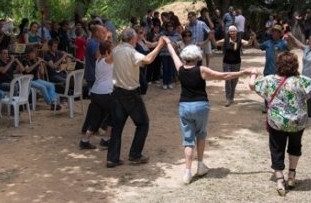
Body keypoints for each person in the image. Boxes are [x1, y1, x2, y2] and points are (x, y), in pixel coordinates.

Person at [163, 41, 251, 184]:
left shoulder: (180, 69)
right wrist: (243, 72)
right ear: (197, 57)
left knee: (188, 141)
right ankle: (200, 165)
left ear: (184, 57)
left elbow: (173, 54)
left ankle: (187, 172)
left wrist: (167, 43)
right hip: (201, 105)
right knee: (201, 135)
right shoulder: (201, 70)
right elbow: (224, 76)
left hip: (184, 106)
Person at [249, 51, 311, 196]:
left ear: (278, 65)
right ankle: (291, 175)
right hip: (297, 122)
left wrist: (253, 73)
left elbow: (252, 85)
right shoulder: (301, 80)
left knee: (277, 148)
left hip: (277, 122)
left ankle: (279, 180)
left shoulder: (270, 80)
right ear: (295, 65)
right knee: (295, 146)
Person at [106, 28, 166, 168]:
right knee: (143, 123)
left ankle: (112, 158)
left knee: (117, 127)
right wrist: (160, 46)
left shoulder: (117, 50)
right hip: (130, 93)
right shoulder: (131, 52)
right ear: (132, 39)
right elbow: (148, 60)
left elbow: (108, 61)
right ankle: (135, 154)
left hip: (117, 92)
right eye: (136, 38)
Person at [79, 40, 114, 150]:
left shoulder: (98, 59)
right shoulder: (107, 60)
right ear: (108, 52)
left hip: (95, 92)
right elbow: (115, 54)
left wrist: (108, 39)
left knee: (96, 119)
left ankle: (85, 140)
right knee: (114, 114)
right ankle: (106, 139)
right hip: (105, 93)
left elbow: (103, 49)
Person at [213, 25, 254, 106]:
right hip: (226, 62)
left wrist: (251, 38)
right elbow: (216, 43)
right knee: (227, 80)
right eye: (230, 31)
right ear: (228, 32)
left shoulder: (240, 40)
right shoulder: (225, 40)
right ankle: (228, 99)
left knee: (234, 81)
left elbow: (248, 43)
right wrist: (211, 37)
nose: (232, 32)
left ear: (236, 32)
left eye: (234, 31)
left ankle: (231, 97)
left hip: (236, 63)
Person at [287, 33, 311, 118]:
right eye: (309, 40)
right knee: (301, 95)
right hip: (304, 76)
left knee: (310, 98)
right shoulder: (307, 48)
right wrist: (292, 37)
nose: (308, 41)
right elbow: (299, 44)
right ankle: (302, 112)